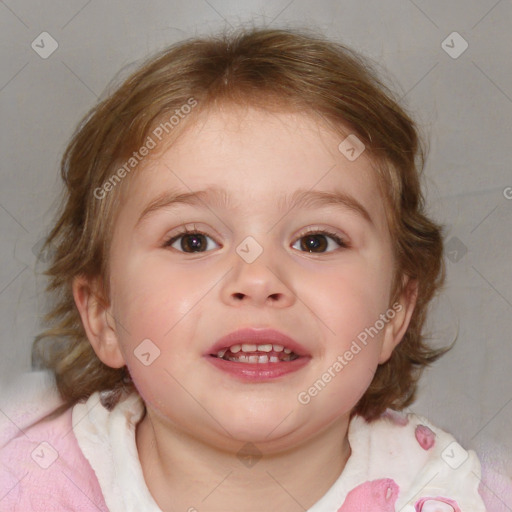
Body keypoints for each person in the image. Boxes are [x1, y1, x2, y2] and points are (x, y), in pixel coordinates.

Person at [0, 27, 493, 511]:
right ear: (104, 315)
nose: (258, 281)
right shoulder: (24, 480)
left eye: (316, 241)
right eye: (193, 241)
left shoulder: (459, 495)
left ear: (395, 313)